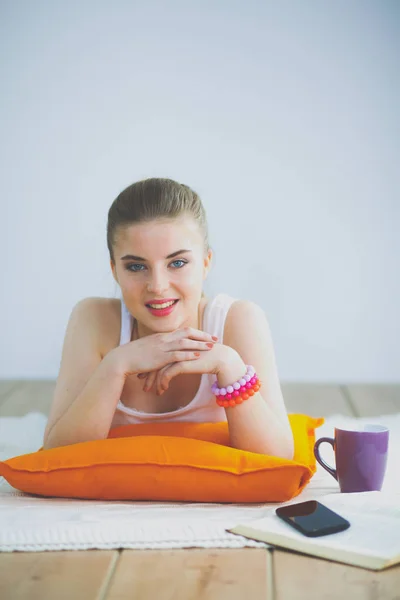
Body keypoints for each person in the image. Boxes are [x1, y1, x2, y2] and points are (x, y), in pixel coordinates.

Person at [43, 178, 294, 459]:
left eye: (177, 263)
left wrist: (229, 365)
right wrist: (117, 364)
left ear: (206, 263)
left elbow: (279, 455)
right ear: (114, 270)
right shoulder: (93, 318)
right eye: (136, 266)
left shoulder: (237, 319)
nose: (158, 286)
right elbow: (56, 454)